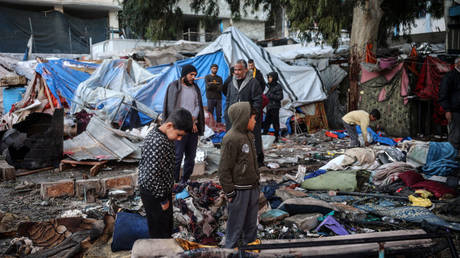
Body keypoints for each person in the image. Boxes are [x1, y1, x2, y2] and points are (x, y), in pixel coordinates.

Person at [138, 108, 193, 238]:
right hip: (154, 194)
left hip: (160, 191)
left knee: (166, 226)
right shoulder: (157, 142)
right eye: (179, 134)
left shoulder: (163, 136)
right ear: (169, 125)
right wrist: (163, 200)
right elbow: (152, 177)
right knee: (159, 230)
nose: (179, 139)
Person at [219, 102, 260, 248]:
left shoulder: (248, 135)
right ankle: (230, 250)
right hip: (239, 191)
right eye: (253, 118)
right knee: (235, 225)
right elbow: (224, 169)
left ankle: (250, 249)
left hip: (252, 187)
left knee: (251, 224)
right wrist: (230, 192)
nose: (255, 121)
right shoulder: (231, 138)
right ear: (243, 118)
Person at [163, 64, 205, 183]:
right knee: (177, 157)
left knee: (191, 158)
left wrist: (192, 121)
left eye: (195, 75)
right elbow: (173, 109)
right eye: (191, 75)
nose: (193, 77)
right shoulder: (174, 87)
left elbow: (197, 106)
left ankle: (185, 181)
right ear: (184, 75)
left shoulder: (195, 88)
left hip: (193, 127)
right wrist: (187, 122)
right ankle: (174, 182)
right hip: (179, 127)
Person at [225, 59, 264, 166]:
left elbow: (257, 101)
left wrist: (252, 116)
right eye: (235, 70)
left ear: (246, 70)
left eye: (239, 70)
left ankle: (257, 161)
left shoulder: (253, 82)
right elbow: (228, 99)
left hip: (249, 118)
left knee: (253, 140)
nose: (236, 72)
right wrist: (226, 114)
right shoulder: (231, 83)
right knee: (236, 140)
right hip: (234, 119)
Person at [439, 57, 460, 150]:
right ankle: (451, 154)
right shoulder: (450, 76)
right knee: (455, 134)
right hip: (455, 110)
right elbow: (443, 94)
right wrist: (447, 110)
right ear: (456, 64)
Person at [263, 72, 283, 142]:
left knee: (275, 123)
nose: (269, 79)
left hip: (275, 107)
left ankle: (276, 137)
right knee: (267, 122)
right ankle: (264, 135)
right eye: (268, 77)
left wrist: (270, 96)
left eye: (270, 77)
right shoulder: (270, 86)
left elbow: (280, 97)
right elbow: (267, 94)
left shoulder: (278, 86)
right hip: (269, 107)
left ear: (274, 78)